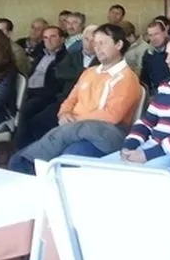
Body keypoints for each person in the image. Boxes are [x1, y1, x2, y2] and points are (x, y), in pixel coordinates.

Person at [8, 24, 142, 174]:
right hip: (74, 130)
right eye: (95, 43)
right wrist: (64, 114)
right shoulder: (89, 72)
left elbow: (112, 116)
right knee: (17, 161)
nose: (97, 48)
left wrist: (75, 121)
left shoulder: (127, 78)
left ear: (118, 44)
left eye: (102, 43)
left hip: (104, 134)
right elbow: (70, 100)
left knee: (63, 164)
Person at [98, 32, 170, 170]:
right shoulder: (165, 86)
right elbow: (146, 122)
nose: (167, 60)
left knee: (137, 175)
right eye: (167, 54)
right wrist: (129, 146)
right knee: (98, 168)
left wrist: (147, 155)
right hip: (150, 147)